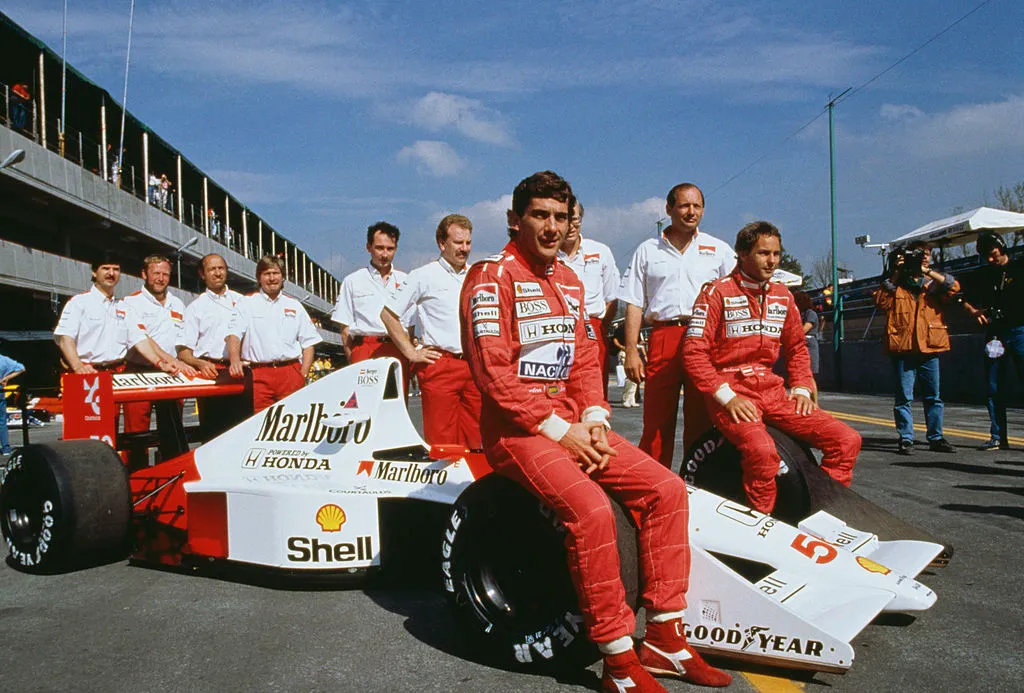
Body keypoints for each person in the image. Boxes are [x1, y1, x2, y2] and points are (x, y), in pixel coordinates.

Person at [460, 171, 730, 692]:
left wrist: (595, 419)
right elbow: (492, 373)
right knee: (590, 510)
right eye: (540, 215)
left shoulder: (569, 280)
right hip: (517, 433)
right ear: (515, 220)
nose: (552, 227)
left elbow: (586, 360)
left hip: (572, 426)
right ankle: (618, 660)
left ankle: (664, 638)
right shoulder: (490, 277)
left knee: (667, 490)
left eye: (560, 217)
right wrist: (560, 431)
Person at [683, 221, 861, 514]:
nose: (772, 261)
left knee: (846, 440)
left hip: (772, 389)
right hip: (732, 391)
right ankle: (760, 521)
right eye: (764, 253)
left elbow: (797, 348)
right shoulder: (716, 293)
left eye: (776, 254)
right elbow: (694, 354)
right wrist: (728, 398)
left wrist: (801, 387)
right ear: (742, 254)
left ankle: (823, 513)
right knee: (763, 453)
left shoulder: (783, 295)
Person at [619, 183, 735, 467]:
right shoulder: (648, 250)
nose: (691, 212)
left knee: (701, 420)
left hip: (705, 339)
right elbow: (634, 303)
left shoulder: (718, 249)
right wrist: (631, 350)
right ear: (669, 209)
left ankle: (698, 481)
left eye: (697, 206)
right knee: (657, 422)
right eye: (684, 205)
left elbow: (736, 297)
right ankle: (652, 484)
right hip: (664, 337)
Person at [379, 214, 482, 449]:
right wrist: (411, 352)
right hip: (440, 365)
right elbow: (388, 315)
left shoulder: (477, 275)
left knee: (478, 441)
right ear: (442, 243)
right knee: (443, 443)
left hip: (473, 367)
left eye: (468, 242)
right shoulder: (423, 275)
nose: (464, 248)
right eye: (458, 242)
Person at [872, 242, 959, 455]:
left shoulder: (932, 285)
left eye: (926, 255)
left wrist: (927, 271)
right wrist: (896, 273)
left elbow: (954, 287)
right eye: (919, 255)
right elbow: (880, 302)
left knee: (933, 396)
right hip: (904, 348)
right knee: (904, 396)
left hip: (929, 347)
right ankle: (906, 438)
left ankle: (936, 437)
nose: (923, 258)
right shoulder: (895, 286)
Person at [227, 255, 322, 412]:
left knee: (293, 419)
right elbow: (234, 334)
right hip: (258, 375)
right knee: (259, 422)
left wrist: (303, 374)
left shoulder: (294, 305)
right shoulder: (246, 303)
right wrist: (234, 360)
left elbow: (309, 343)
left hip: (290, 374)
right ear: (259, 278)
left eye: (276, 273)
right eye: (267, 274)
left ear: (283, 277)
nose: (272, 278)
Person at [122, 255, 199, 434]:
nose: (161, 278)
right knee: (136, 431)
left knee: (172, 430)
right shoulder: (130, 303)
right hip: (140, 372)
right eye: (156, 273)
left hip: (172, 373)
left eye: (165, 274)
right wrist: (169, 360)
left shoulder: (177, 303)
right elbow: (144, 339)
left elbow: (184, 339)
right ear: (144, 274)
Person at [963, 230, 1024, 450]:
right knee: (994, 384)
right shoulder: (983, 274)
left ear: (1001, 248)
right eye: (986, 256)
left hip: (1020, 330)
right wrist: (974, 312)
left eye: (993, 254)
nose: (991, 259)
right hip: (996, 334)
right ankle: (998, 435)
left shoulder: (1019, 267)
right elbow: (961, 296)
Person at [333, 222, 413, 389]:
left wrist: (409, 355)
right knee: (365, 402)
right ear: (368, 247)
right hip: (365, 349)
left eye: (390, 249)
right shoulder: (353, 281)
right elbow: (345, 328)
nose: (384, 254)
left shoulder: (406, 280)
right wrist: (353, 357)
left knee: (397, 403)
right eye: (379, 248)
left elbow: (410, 326)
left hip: (398, 349)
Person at [177, 253, 245, 433]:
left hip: (241, 373)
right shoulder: (195, 308)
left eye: (221, 268)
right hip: (211, 373)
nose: (217, 273)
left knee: (242, 430)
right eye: (212, 269)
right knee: (212, 432)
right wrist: (200, 363)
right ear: (202, 274)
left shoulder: (242, 301)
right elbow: (183, 352)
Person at [558, 199, 619, 399]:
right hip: (557, 330)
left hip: (593, 329)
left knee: (594, 396)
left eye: (575, 219)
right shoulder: (545, 255)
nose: (570, 225)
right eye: (564, 218)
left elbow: (612, 298)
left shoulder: (601, 252)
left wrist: (598, 329)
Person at [792, 291, 820, 401]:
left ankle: (815, 402)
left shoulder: (810, 313)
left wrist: (792, 336)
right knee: (803, 374)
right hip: (800, 343)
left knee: (810, 375)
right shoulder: (799, 313)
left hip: (809, 343)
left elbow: (805, 328)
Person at [0, 353, 25, 455]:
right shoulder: (3, 359)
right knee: (2, 422)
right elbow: (21, 368)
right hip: (0, 392)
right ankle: (5, 448)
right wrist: (6, 378)